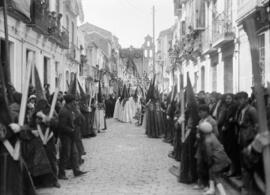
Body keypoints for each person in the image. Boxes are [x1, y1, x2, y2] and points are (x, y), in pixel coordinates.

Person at [58, 94, 87, 179]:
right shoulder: (64, 111)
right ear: (70, 102)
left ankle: (76, 171)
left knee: (74, 154)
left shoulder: (70, 110)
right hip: (65, 136)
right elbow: (62, 126)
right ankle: (61, 173)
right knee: (65, 155)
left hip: (71, 135)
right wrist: (72, 130)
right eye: (74, 101)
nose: (75, 102)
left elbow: (76, 120)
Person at [198, 121, 231, 195]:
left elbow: (209, 154)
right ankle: (212, 189)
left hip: (218, 160)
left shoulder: (207, 141)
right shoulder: (212, 135)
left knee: (216, 176)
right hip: (221, 157)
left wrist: (209, 162)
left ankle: (223, 193)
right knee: (211, 171)